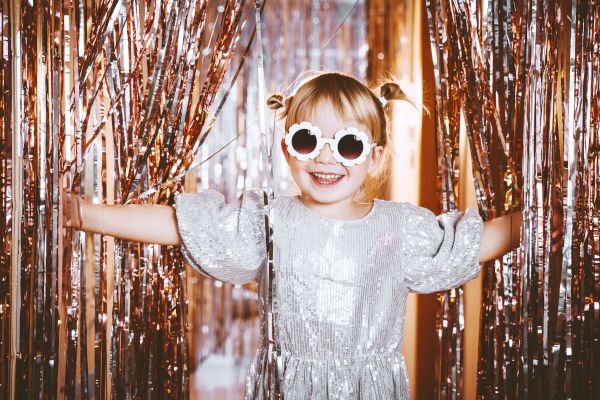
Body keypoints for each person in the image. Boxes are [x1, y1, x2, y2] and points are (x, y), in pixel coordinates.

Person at [62, 72, 563, 399]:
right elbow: (180, 224)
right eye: (308, 140)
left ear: (376, 158)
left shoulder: (399, 227)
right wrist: (85, 213)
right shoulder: (271, 219)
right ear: (287, 149)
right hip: (288, 388)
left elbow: (475, 242)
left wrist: (541, 216)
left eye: (347, 144)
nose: (326, 158)